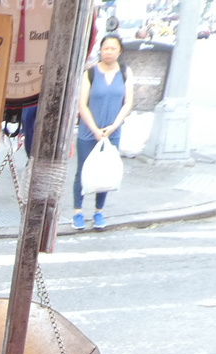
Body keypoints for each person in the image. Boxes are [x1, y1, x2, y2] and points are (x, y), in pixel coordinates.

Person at [72, 33, 133, 231]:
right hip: (89, 131)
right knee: (83, 171)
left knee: (105, 171)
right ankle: (77, 212)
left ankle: (98, 211)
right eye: (105, 48)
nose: (108, 52)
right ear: (100, 50)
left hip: (112, 131)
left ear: (119, 51)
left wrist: (114, 126)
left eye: (113, 48)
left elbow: (128, 103)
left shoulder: (125, 72)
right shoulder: (89, 73)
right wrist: (95, 130)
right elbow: (82, 105)